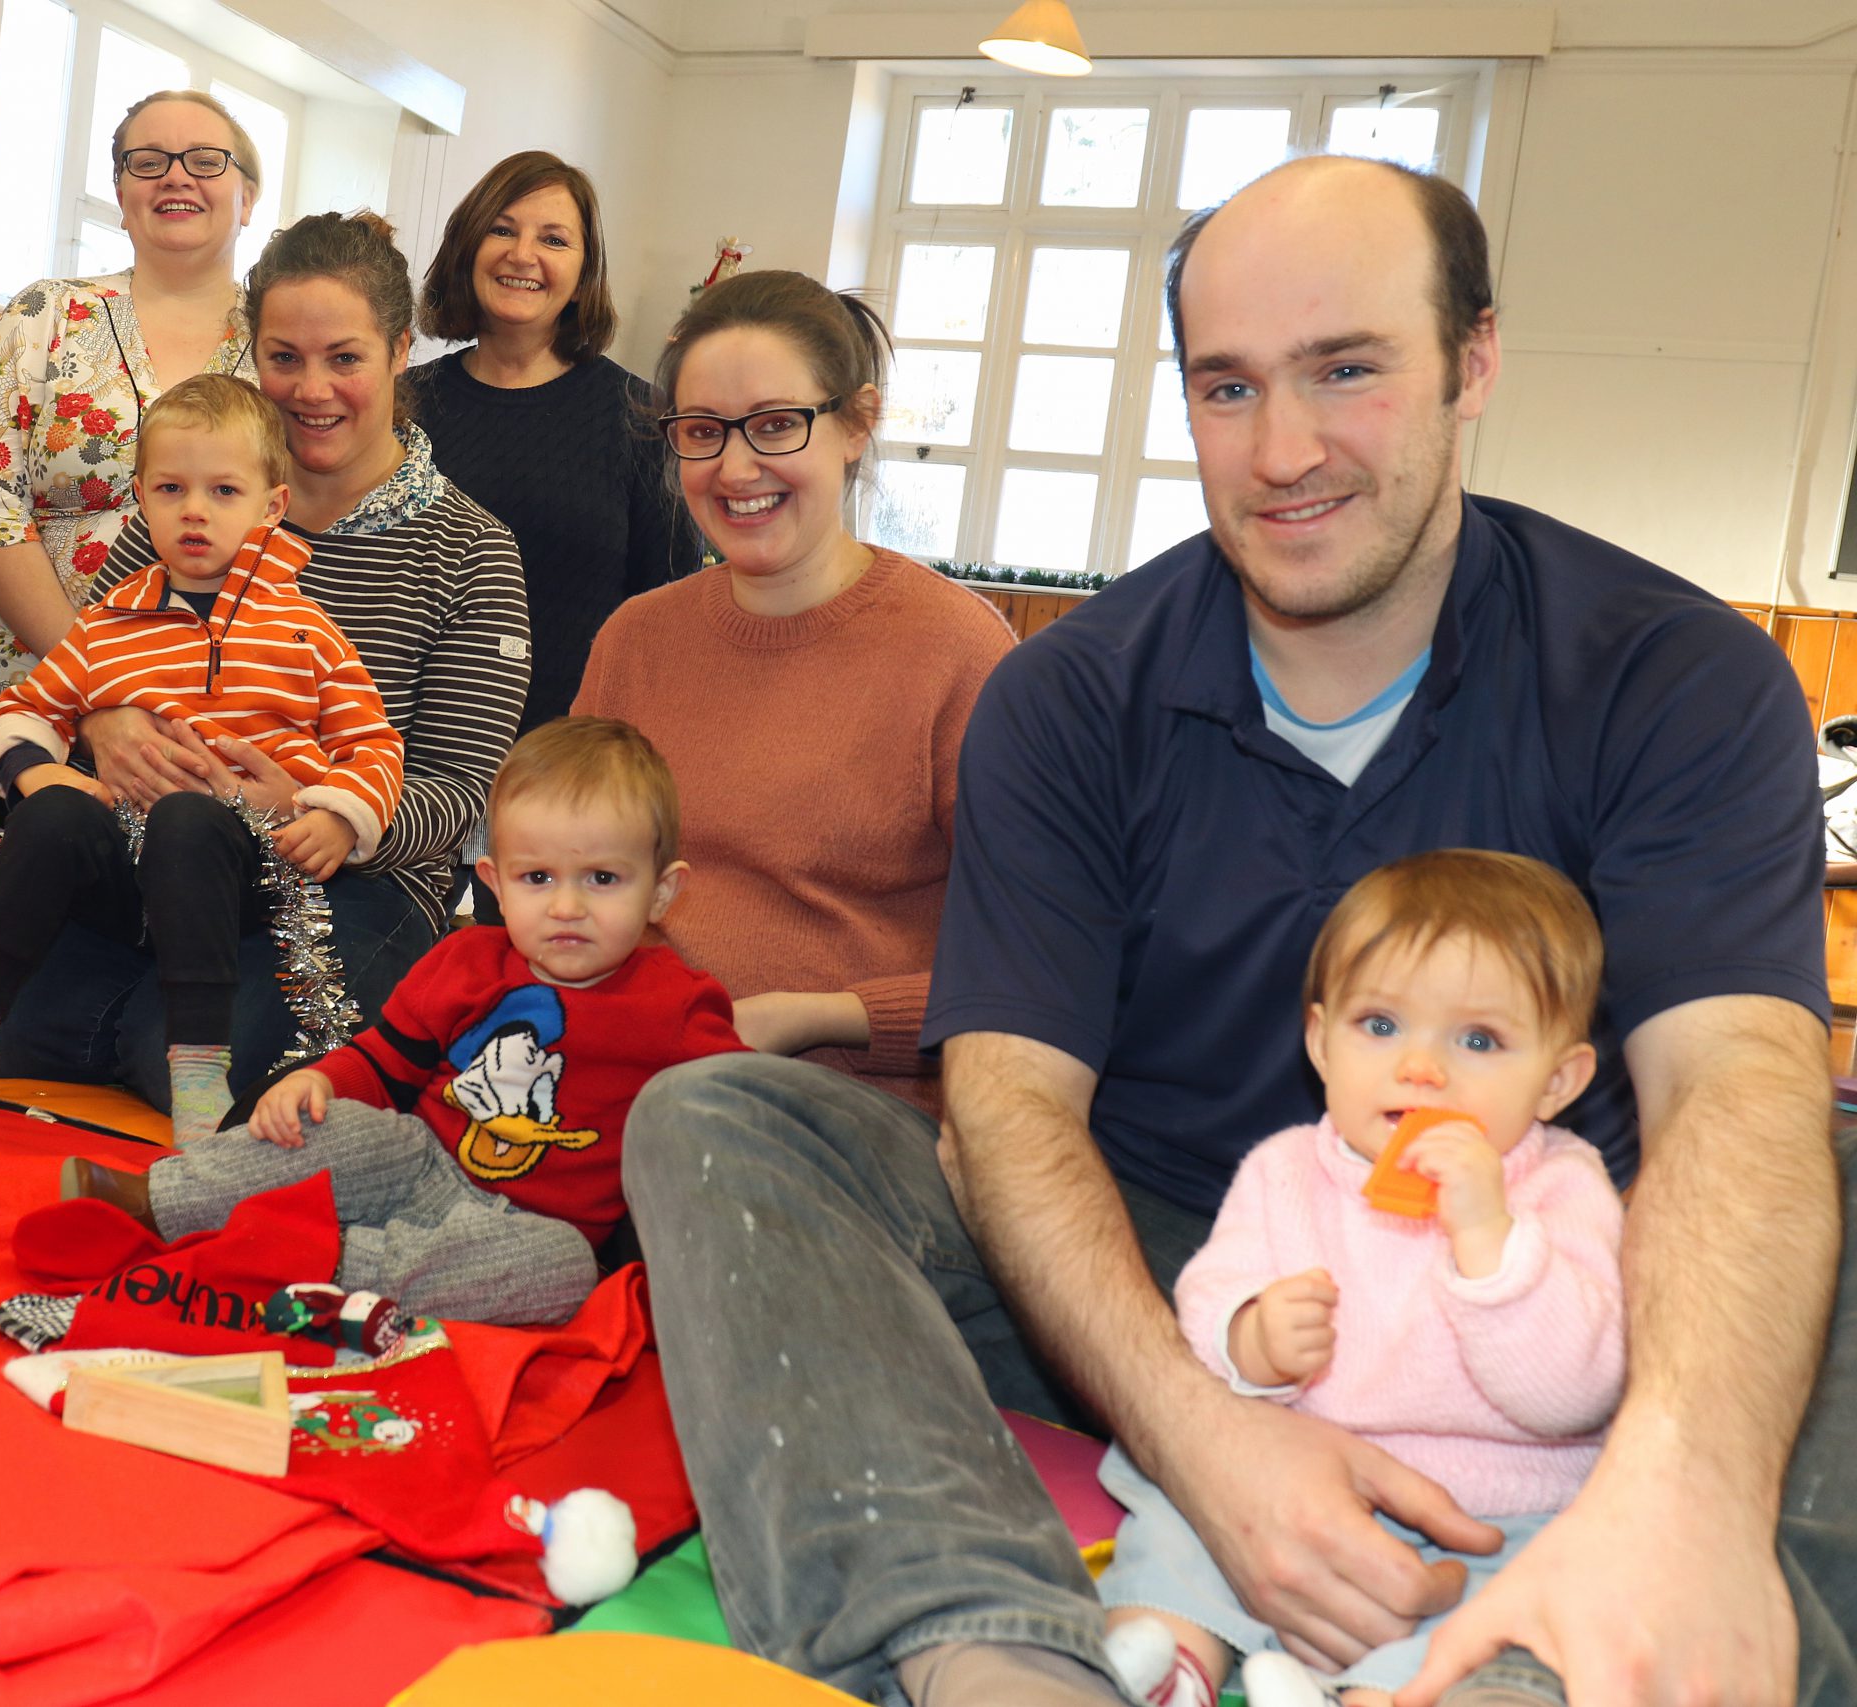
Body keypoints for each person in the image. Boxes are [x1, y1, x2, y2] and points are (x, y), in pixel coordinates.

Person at [623, 155, 1848, 1707]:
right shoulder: (1071, 697)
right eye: (1226, 388)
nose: (1283, 451)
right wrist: (1217, 1449)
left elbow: (1734, 1079)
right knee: (725, 1117)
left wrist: (1684, 1473)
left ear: (1473, 358)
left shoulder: (1671, 675)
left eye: (1348, 370)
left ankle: (1552, 1658)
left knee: (1817, 1182)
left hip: (1536, 1271)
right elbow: (1006, 1103)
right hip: (1153, 1270)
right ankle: (991, 1651)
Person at [0, 210, 530, 1114]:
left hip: (350, 882)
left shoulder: (471, 551)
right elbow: (94, 659)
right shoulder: (188, 504)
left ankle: (151, 1026)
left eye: (345, 358)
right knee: (14, 1031)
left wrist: (319, 812)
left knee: (185, 1061)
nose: (312, 389)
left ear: (401, 351)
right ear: (253, 351)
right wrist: (101, 721)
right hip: (161, 855)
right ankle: (136, 1013)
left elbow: (459, 792)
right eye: (285, 357)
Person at [1098, 850, 1623, 1707]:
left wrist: (1489, 1237)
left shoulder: (1562, 1187)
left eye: (1479, 1039)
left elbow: (1577, 1392)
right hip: (1281, 1483)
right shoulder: (1283, 1171)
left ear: (1558, 1080)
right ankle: (1168, 1660)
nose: (1420, 1068)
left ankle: (1370, 1696)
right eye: (1380, 1025)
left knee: (1526, 1598)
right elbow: (1202, 1305)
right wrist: (1252, 1337)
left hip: (1495, 1514)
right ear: (1319, 1040)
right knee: (1170, 1511)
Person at [58, 716, 743, 1324]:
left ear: (661, 891)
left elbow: (736, 1123)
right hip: (420, 1162)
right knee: (340, 1129)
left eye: (602, 878)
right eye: (539, 878)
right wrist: (320, 1082)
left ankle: (316, 1261)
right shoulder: (469, 959)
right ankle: (155, 1199)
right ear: (494, 882)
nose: (567, 905)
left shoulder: (678, 1008)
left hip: (526, 1225)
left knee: (563, 1270)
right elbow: (384, 1060)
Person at [0, 374, 402, 1134]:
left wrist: (339, 815)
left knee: (186, 818)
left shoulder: (304, 627)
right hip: (127, 873)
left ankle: (199, 1069)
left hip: (249, 877)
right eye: (172, 488)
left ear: (271, 505)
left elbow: (373, 744)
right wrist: (40, 770)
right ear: (142, 496)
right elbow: (27, 708)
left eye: (223, 491)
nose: (195, 510)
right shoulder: (111, 623)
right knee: (52, 814)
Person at [572, 268, 1013, 1110]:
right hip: (627, 1077)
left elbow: (1030, 962)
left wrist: (811, 1015)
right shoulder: (635, 639)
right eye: (703, 430)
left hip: (849, 1111)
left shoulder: (958, 651)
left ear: (857, 423)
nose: (736, 467)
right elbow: (565, 876)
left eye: (776, 426)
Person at [0, 87, 260, 792]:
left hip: (224, 729)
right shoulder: (45, 315)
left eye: (205, 160)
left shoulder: (286, 347)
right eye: (148, 162)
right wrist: (103, 690)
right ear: (120, 194)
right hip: (37, 705)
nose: (176, 176)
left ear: (248, 196)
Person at [412, 151, 699, 743]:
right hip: (409, 760)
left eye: (554, 239)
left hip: (571, 765)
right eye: (501, 229)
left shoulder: (642, 418)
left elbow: (671, 616)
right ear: (467, 247)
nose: (523, 255)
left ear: (584, 271)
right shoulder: (404, 407)